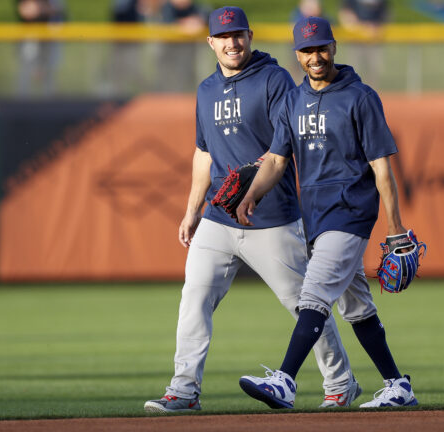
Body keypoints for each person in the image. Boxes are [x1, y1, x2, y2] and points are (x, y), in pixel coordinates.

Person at [144, 7, 359, 413]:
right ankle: (184, 390)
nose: (232, 42)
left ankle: (341, 383)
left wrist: (249, 185)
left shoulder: (274, 79)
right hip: (218, 218)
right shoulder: (206, 90)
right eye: (223, 37)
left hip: (272, 216)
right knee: (195, 297)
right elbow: (203, 153)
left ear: (250, 35)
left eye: (238, 34)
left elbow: (283, 146)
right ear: (211, 43)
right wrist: (192, 210)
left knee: (304, 303)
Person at [236, 16, 418, 409]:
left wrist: (396, 228)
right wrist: (251, 195)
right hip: (316, 218)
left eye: (321, 47)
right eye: (306, 50)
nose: (314, 56)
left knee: (313, 293)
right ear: (296, 54)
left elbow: (382, 169)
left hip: (350, 210)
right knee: (356, 307)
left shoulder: (360, 96)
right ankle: (396, 385)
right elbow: (277, 160)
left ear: (334, 46)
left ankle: (285, 380)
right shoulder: (292, 100)